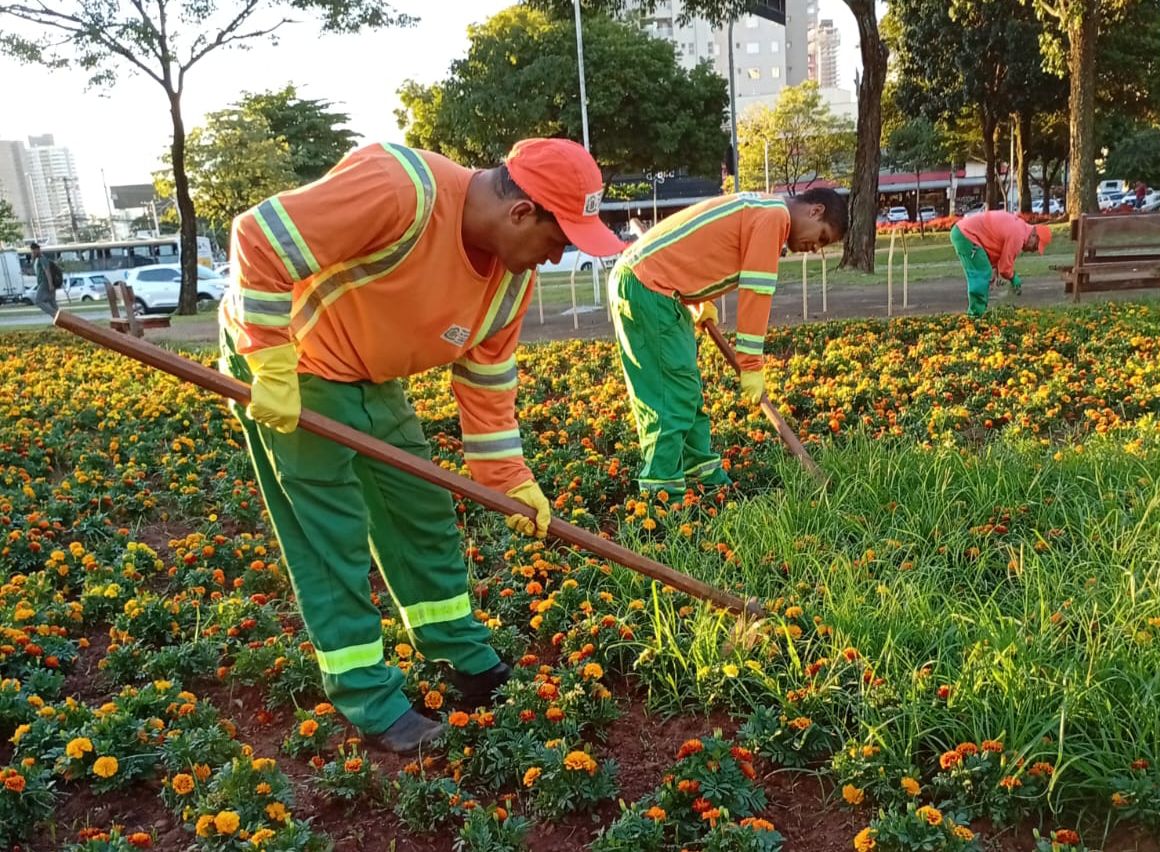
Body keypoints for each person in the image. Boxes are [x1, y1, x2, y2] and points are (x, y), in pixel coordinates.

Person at [219, 138, 623, 754]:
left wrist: (508, 477)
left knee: (421, 509)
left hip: (370, 373)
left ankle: (459, 651)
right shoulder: (399, 186)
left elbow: (486, 388)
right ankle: (370, 699)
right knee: (332, 532)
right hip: (292, 364)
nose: (554, 258)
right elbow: (260, 236)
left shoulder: (509, 286)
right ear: (521, 213)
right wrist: (269, 357)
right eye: (557, 240)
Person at [608, 188, 848, 498]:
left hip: (663, 289)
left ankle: (706, 480)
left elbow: (702, 244)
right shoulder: (774, 217)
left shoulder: (764, 206)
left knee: (687, 392)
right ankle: (661, 499)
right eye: (823, 237)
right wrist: (750, 365)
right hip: (647, 286)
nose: (815, 248)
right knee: (670, 397)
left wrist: (699, 299)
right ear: (815, 211)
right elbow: (756, 291)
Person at [950, 211, 1051, 317]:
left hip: (964, 232)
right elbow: (1005, 268)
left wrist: (994, 269)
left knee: (985, 273)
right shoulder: (1018, 236)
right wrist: (1013, 278)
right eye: (1035, 246)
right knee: (981, 274)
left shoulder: (1019, 228)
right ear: (1034, 235)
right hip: (966, 234)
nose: (1033, 250)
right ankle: (975, 316)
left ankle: (977, 313)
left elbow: (995, 242)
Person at [29, 242, 58, 317]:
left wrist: (50, 285)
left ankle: (55, 314)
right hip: (44, 283)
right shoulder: (37, 260)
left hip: (45, 283)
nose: (33, 253)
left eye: (34, 251)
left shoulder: (42, 259)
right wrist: (33, 258)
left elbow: (47, 272)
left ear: (38, 250)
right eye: (32, 252)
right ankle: (61, 320)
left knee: (38, 301)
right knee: (52, 302)